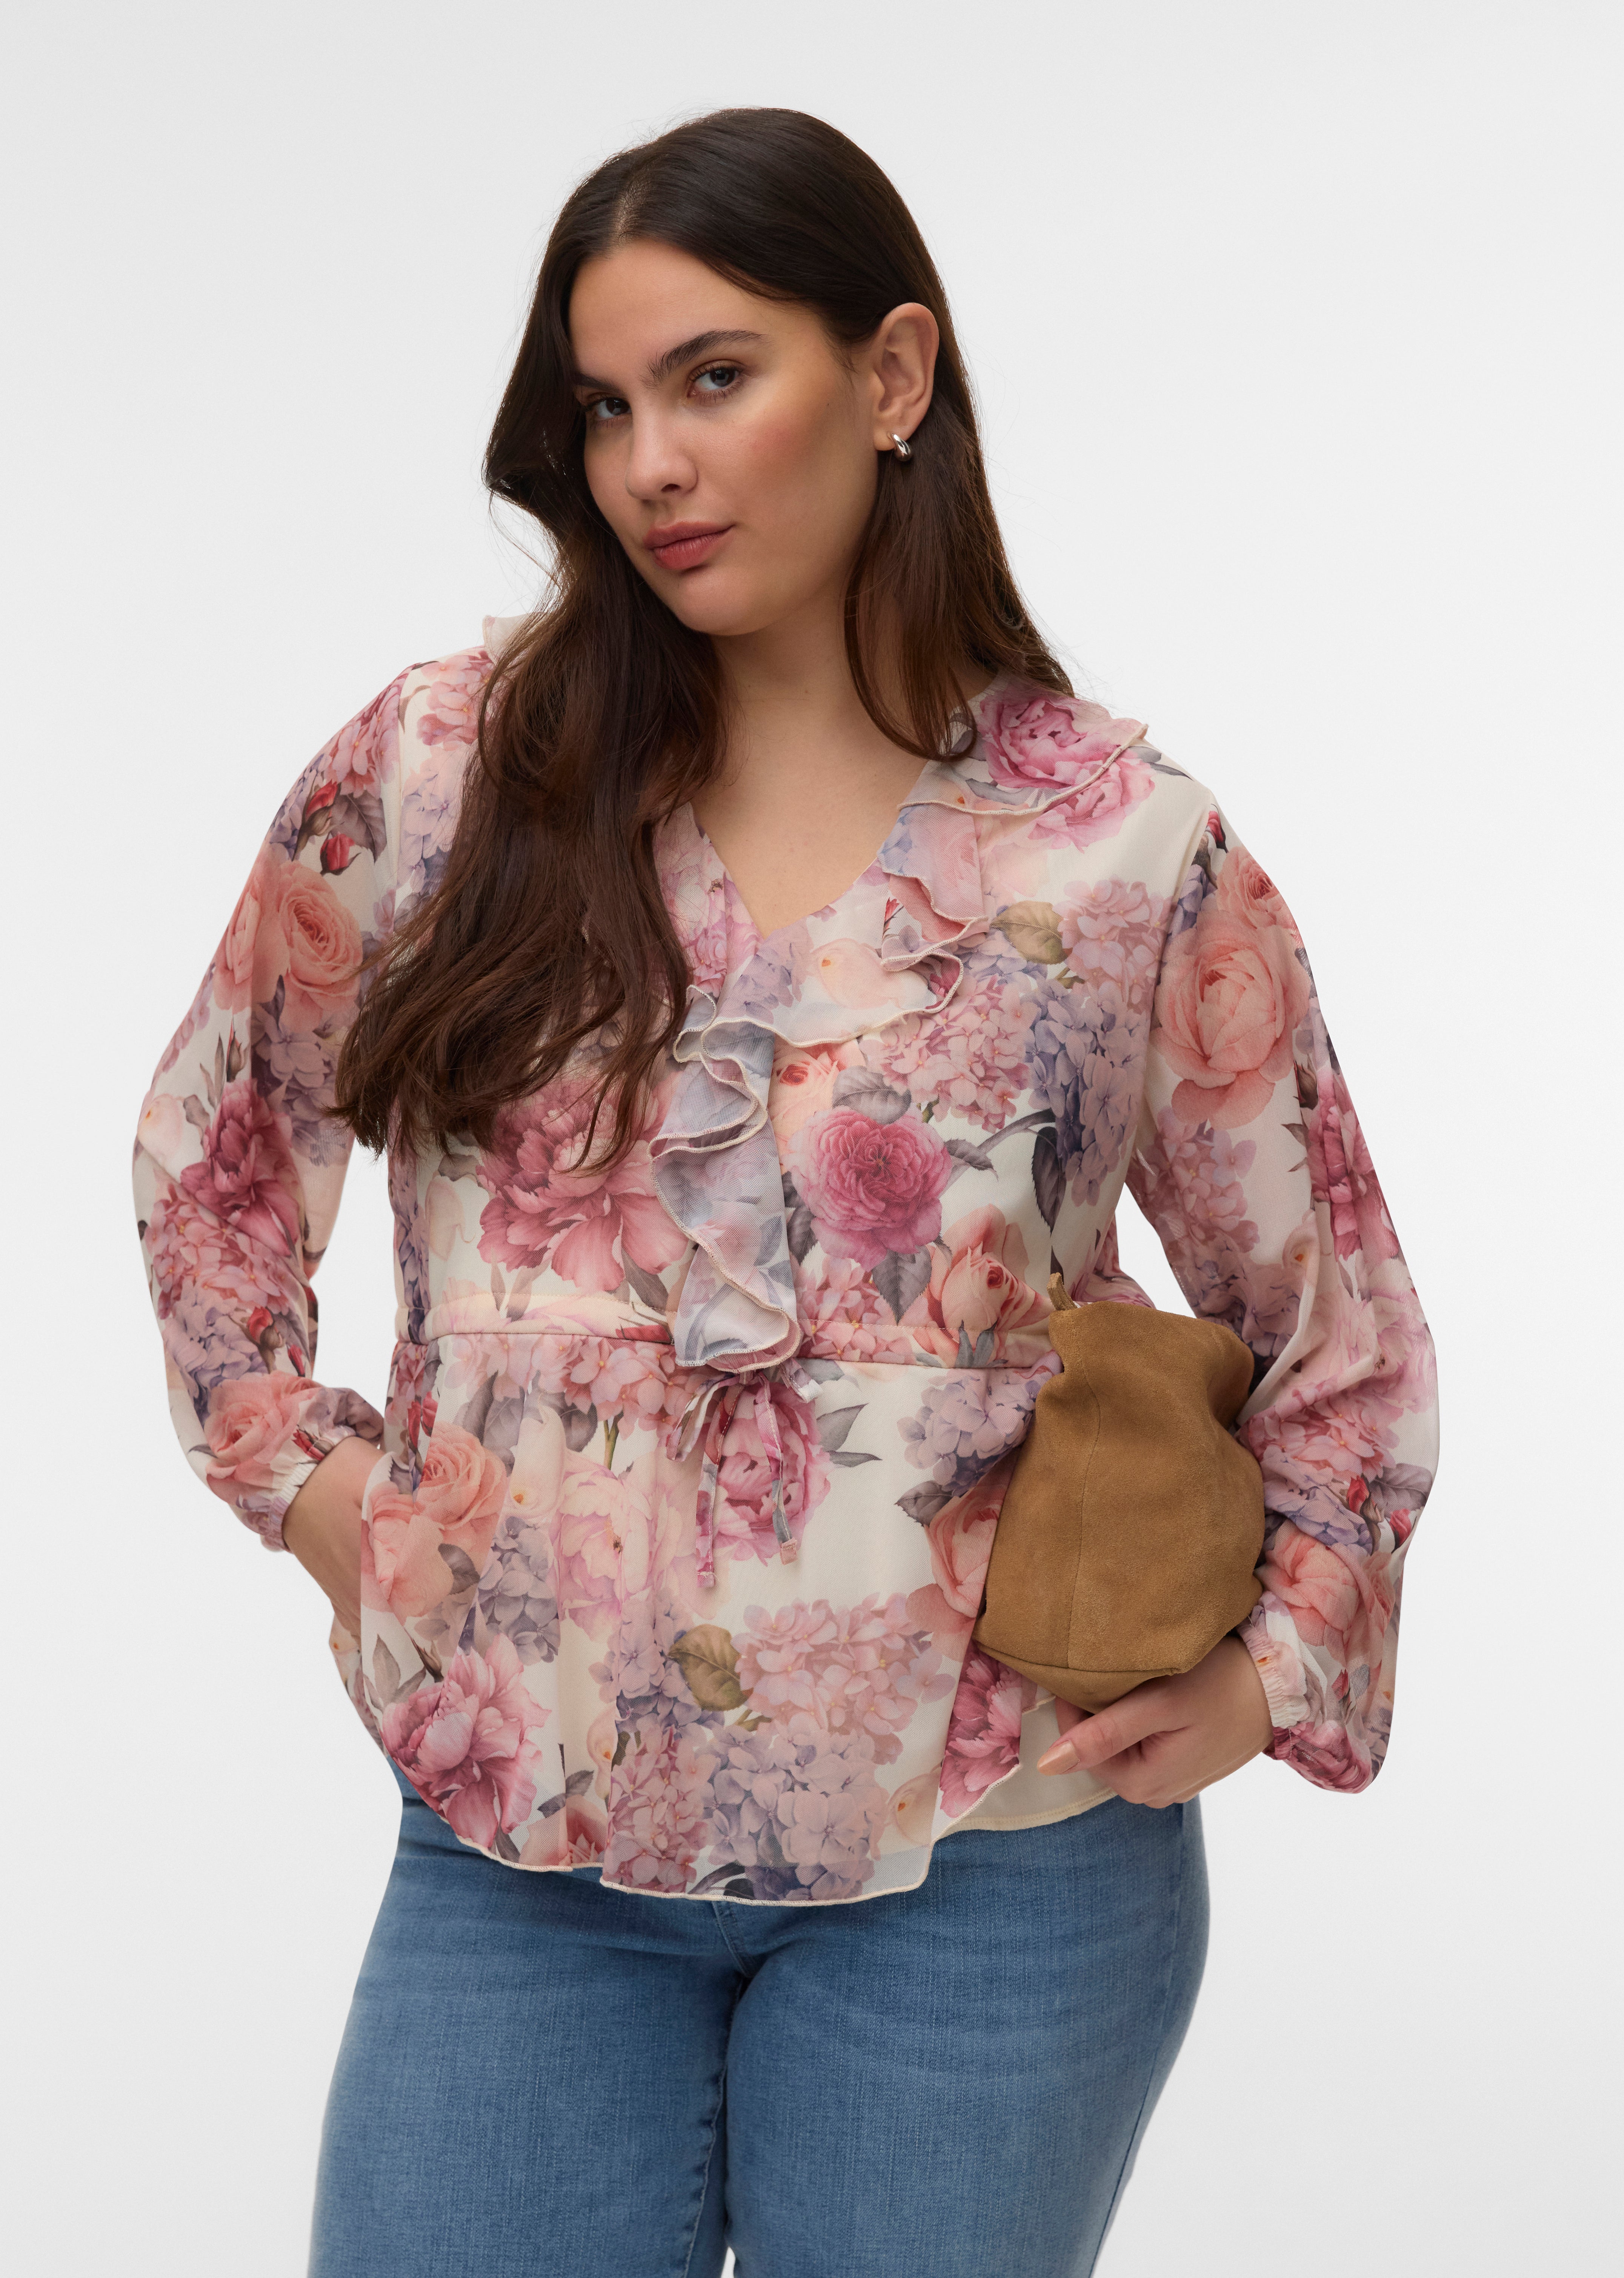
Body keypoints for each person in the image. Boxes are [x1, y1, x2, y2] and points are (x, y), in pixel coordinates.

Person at [134, 107, 1437, 2278]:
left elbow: (1334, 1320)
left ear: (894, 374)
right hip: (521, 1847)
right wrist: (317, 1488)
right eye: (605, 408)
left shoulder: (1122, 848)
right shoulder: (450, 769)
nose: (652, 462)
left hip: (995, 1866)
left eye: (715, 378)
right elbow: (218, 1149)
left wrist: (1282, 1659)